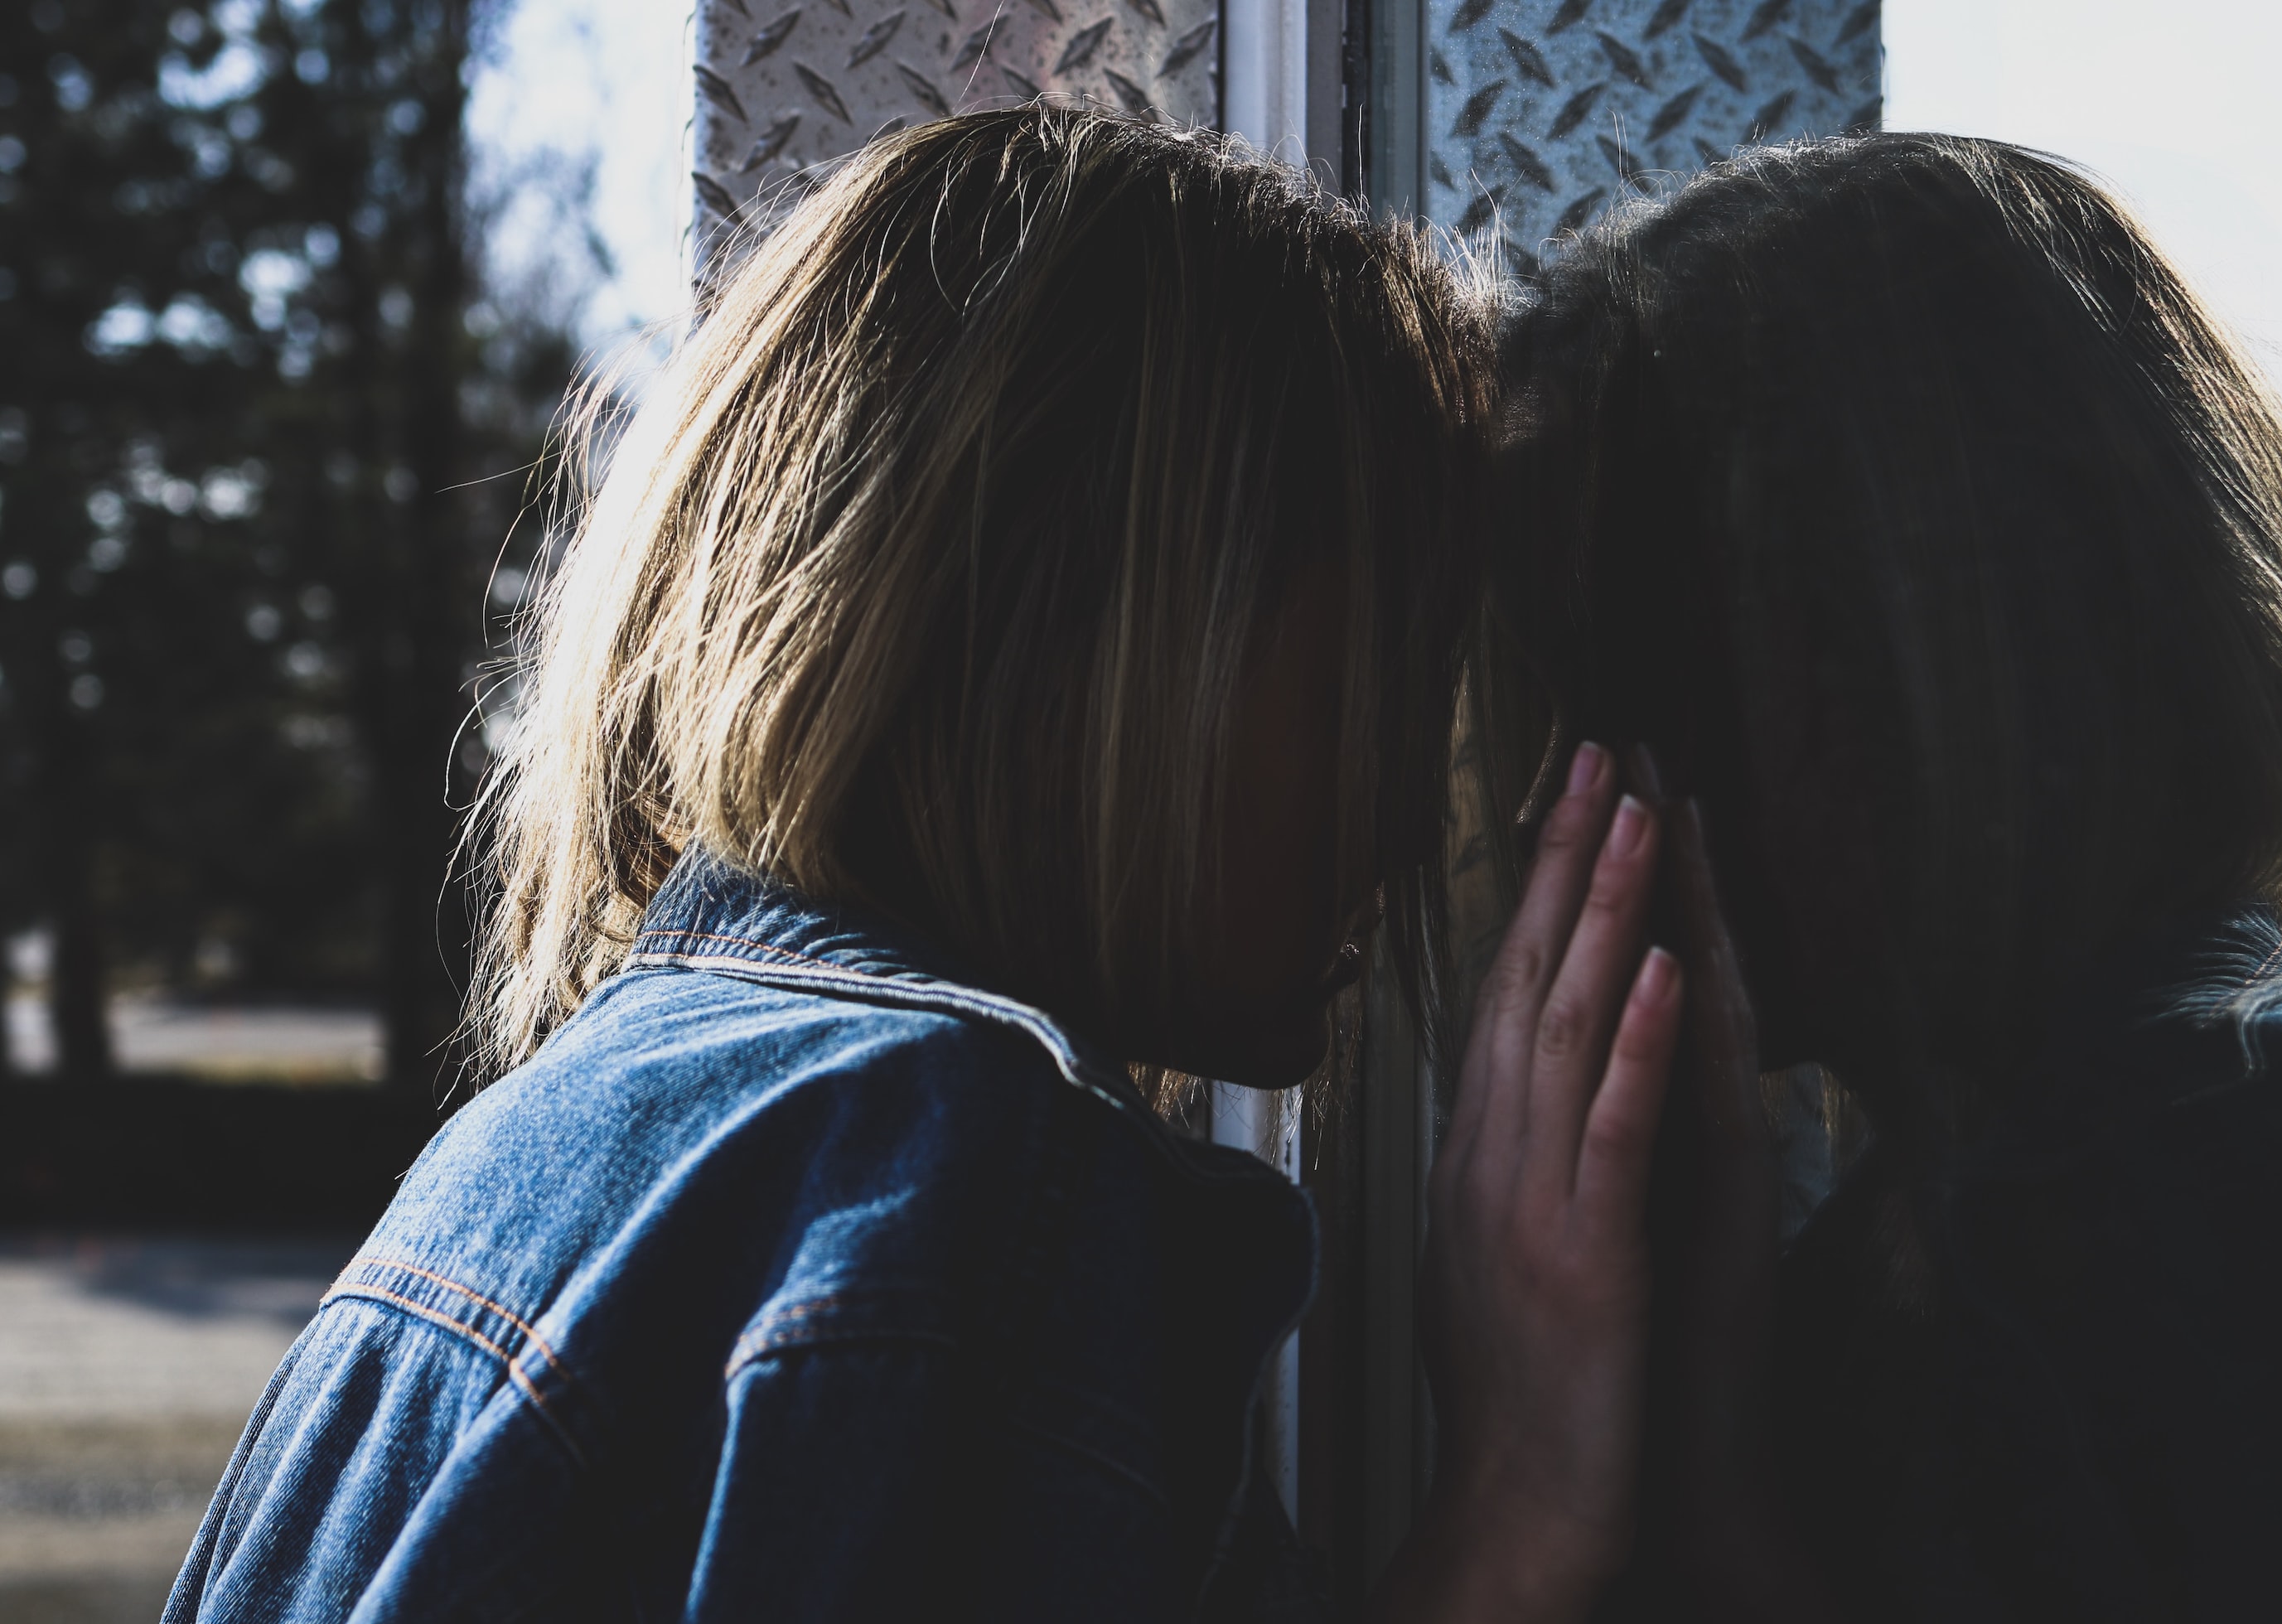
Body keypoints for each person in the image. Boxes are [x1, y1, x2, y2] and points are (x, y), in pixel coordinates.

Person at [166, 107, 1698, 1623]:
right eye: (1386, 659)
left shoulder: (532, 1148)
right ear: (1127, 639)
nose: (1416, 800)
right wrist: (1515, 1509)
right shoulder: (964, 1184)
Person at [1499, 133, 2282, 1620]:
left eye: (1622, 654)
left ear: (1877, 652)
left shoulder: (2199, 1203)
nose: (1569, 775)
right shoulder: (2068, 1181)